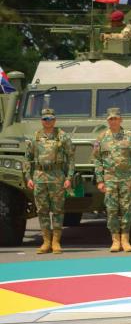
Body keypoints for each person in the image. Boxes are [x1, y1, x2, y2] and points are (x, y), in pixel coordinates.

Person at [24, 108, 74, 254]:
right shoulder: (35, 137)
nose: (48, 121)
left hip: (57, 176)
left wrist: (69, 177)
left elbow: (70, 158)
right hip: (39, 177)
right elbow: (27, 159)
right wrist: (28, 177)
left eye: (50, 119)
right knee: (42, 210)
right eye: (45, 119)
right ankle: (46, 242)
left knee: (58, 210)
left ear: (54, 120)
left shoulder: (62, 136)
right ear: (41, 121)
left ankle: (56, 242)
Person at [92, 108, 131, 253]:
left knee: (126, 209)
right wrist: (100, 180)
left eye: (116, 118)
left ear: (121, 119)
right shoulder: (101, 137)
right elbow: (97, 160)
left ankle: (125, 239)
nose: (113, 121)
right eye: (111, 119)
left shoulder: (130, 136)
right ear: (107, 121)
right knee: (112, 209)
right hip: (110, 179)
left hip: (126, 178)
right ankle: (115, 240)